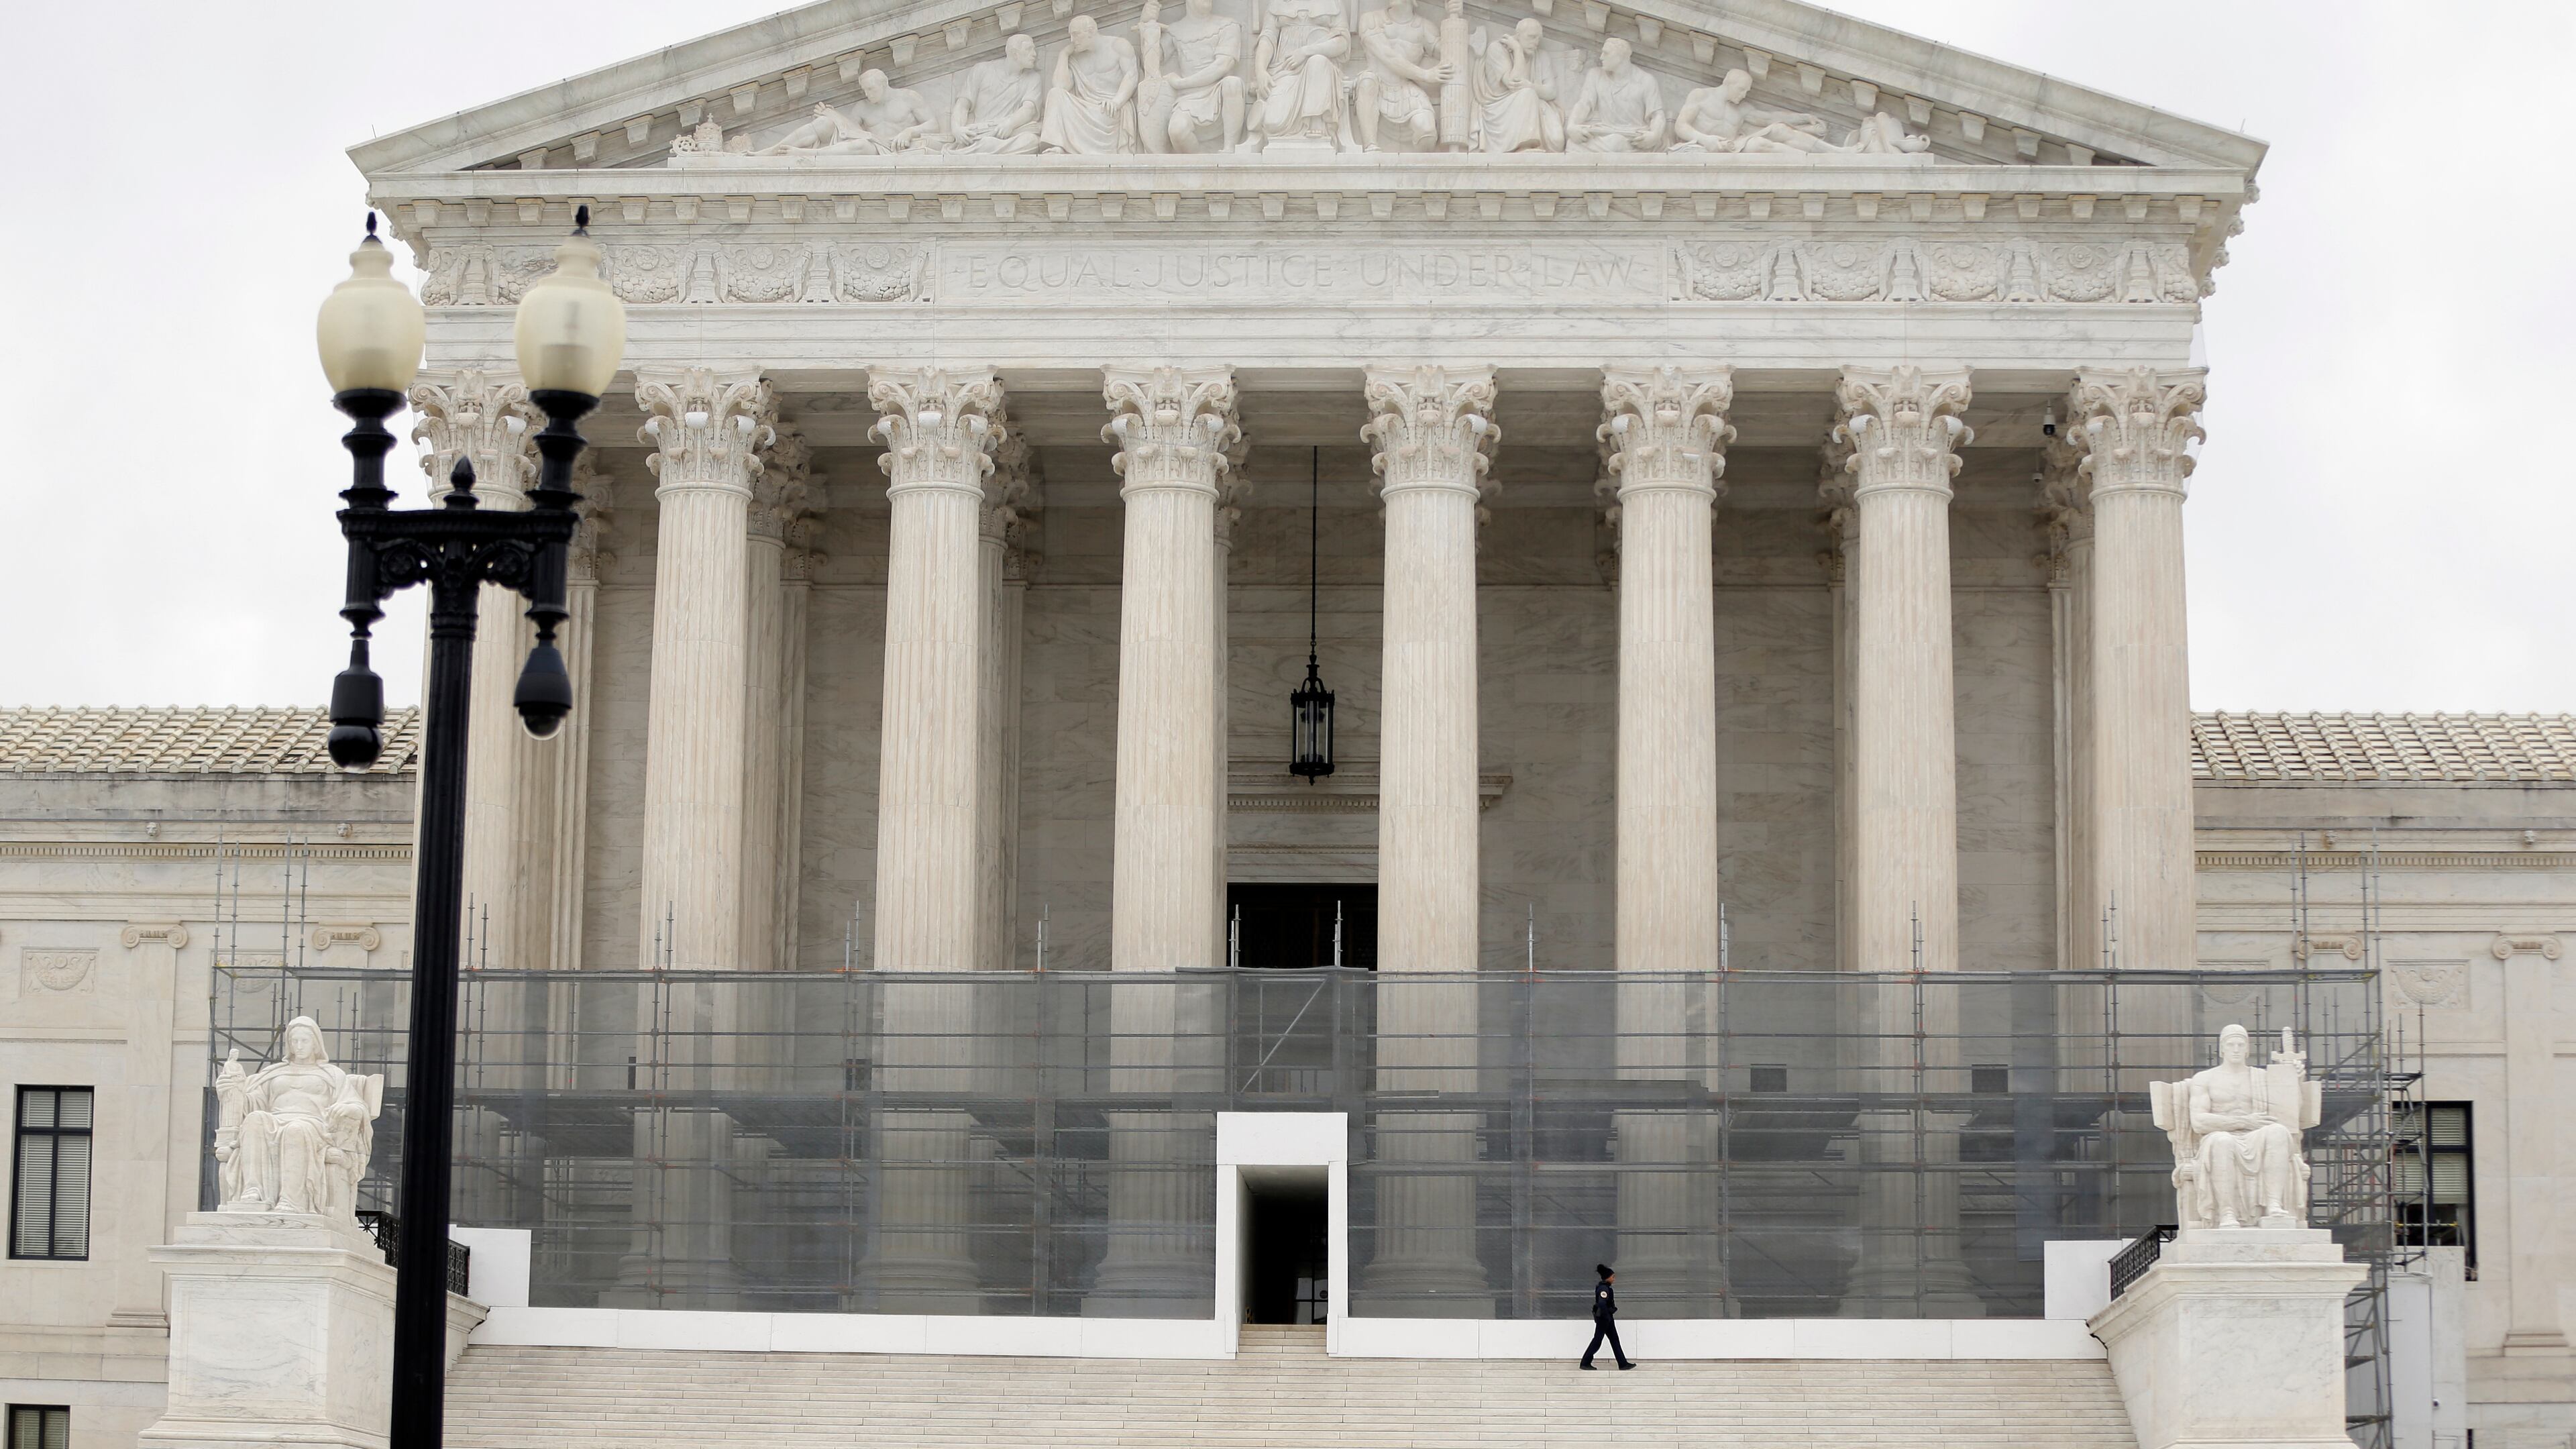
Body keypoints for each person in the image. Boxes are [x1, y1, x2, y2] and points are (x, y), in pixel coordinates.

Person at [1579, 1263, 1635, 1370]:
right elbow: (1602, 1304)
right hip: (1604, 1319)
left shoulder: (1606, 1288)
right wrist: (1608, 1314)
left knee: (1614, 1340)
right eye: (1613, 1277)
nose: (1614, 1279)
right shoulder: (1604, 1289)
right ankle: (1585, 1362)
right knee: (1598, 1340)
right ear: (1608, 1277)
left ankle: (1623, 1363)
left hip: (1607, 1318)